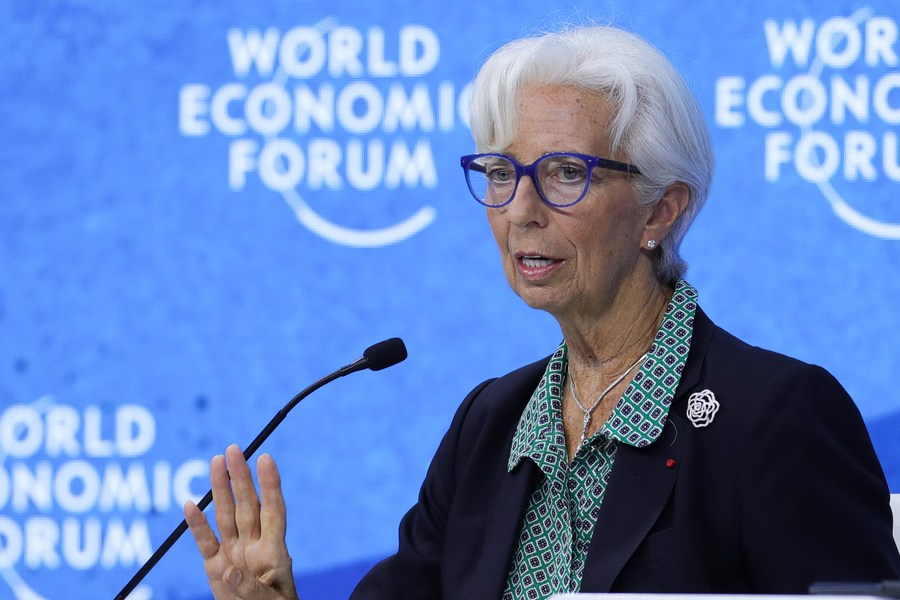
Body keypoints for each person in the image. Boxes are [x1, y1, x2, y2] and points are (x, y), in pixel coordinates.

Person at [184, 25, 900, 599]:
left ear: (660, 210)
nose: (521, 210)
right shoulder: (489, 426)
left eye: (565, 173)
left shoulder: (773, 415)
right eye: (502, 173)